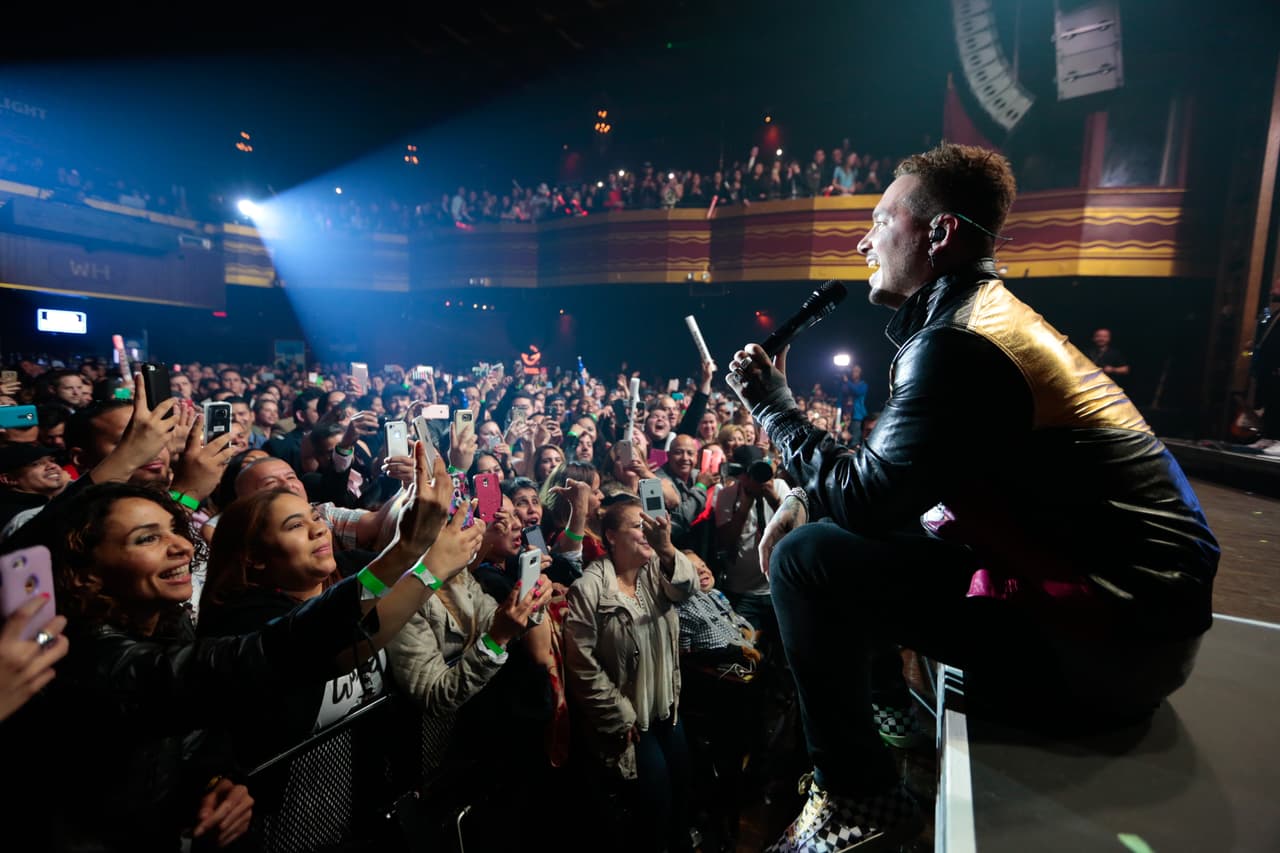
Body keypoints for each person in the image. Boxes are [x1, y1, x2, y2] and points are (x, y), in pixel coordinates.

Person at [725, 143, 1219, 852]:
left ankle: (857, 792)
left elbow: (867, 500)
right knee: (833, 537)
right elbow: (906, 491)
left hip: (1109, 647)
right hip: (1141, 628)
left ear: (939, 234)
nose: (863, 240)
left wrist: (774, 409)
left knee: (807, 560)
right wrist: (814, 491)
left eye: (880, 219)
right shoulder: (983, 319)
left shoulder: (958, 341)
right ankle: (888, 716)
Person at [9, 442, 467, 851]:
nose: (179, 547)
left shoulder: (169, 628)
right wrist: (409, 555)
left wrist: (217, 779)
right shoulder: (93, 662)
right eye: (147, 538)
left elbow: (203, 731)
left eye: (174, 530)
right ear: (85, 572)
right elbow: (275, 653)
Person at [563, 496, 697, 852]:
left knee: (682, 796)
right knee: (656, 807)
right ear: (610, 536)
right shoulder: (589, 589)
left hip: (667, 708)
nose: (647, 531)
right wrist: (619, 715)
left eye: (649, 524)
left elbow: (686, 588)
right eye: (638, 526)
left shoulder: (657, 569)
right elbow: (580, 664)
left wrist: (666, 547)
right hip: (633, 722)